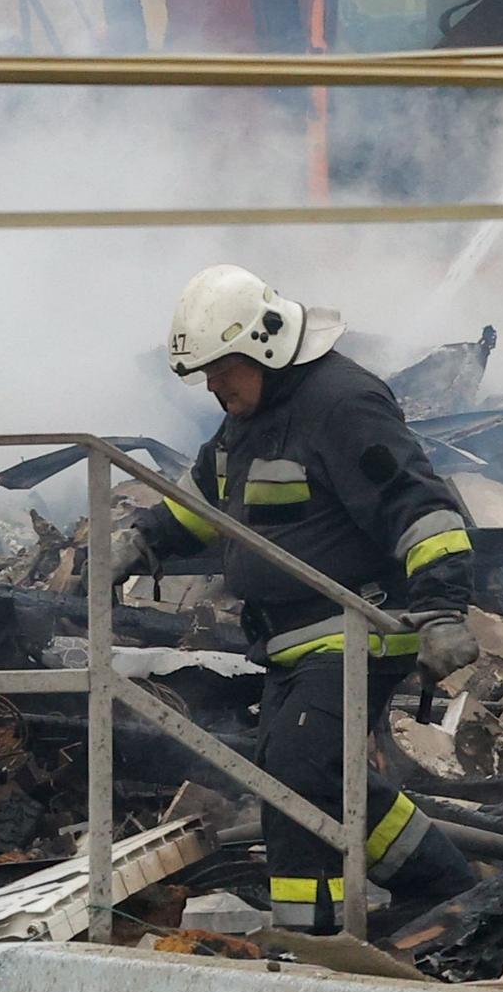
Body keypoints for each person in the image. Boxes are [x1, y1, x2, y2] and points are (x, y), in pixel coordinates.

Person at [132, 265, 480, 932]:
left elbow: (418, 505)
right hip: (292, 641)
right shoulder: (248, 419)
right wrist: (142, 538)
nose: (214, 387)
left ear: (262, 345)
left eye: (221, 370)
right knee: (305, 777)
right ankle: (438, 893)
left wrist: (441, 608)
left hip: (357, 626)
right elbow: (206, 500)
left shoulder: (342, 403)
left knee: (300, 771)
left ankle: (321, 937)